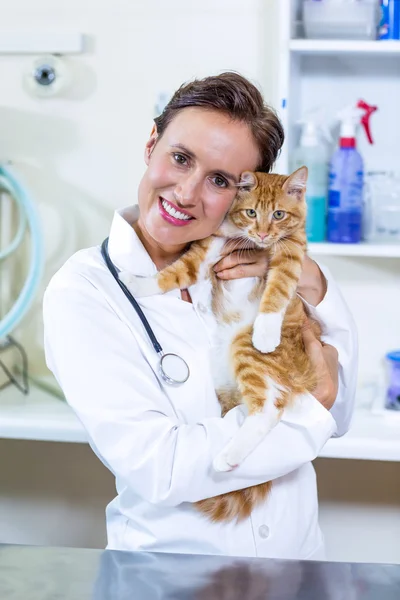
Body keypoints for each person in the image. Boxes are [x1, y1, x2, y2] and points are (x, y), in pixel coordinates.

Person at [43, 72, 358, 560]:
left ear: (246, 194)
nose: (187, 193)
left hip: (298, 567)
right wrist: (303, 410)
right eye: (180, 157)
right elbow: (161, 467)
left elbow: (338, 407)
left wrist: (310, 279)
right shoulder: (84, 291)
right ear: (152, 144)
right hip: (174, 577)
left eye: (219, 180)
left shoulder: (252, 263)